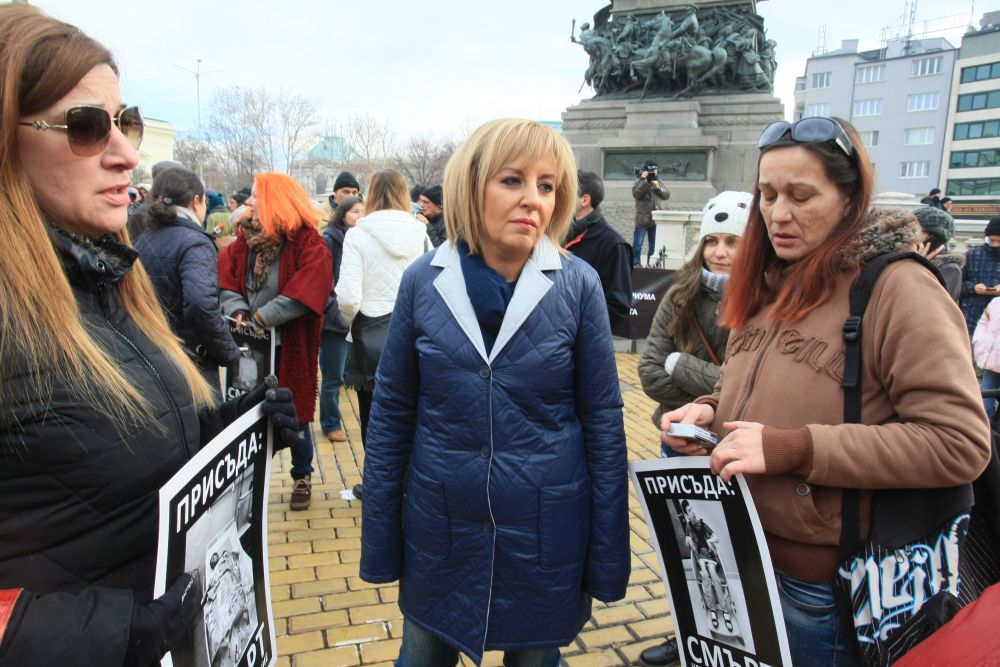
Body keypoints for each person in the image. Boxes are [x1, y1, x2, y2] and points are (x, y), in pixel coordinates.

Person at [0, 7, 298, 665]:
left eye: (124, 120)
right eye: (85, 126)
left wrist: (229, 435)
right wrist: (104, 632)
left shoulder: (106, 281)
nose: (127, 153)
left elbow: (105, 469)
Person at [662, 116, 991, 666]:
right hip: (740, 559)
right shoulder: (770, 279)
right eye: (766, 195)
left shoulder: (896, 288)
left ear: (849, 198)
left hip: (820, 593)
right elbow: (752, 387)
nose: (777, 214)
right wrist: (710, 412)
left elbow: (959, 443)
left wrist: (797, 449)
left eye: (801, 195)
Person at [359, 118, 630, 667]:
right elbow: (392, 414)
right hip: (441, 531)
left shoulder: (578, 286)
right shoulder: (422, 281)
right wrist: (382, 539)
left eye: (547, 185)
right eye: (513, 180)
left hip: (545, 531)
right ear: (470, 186)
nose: (534, 200)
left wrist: (607, 556)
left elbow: (603, 421)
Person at [636, 190, 749, 667]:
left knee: (738, 559)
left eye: (733, 241)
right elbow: (649, 372)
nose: (720, 252)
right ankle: (687, 636)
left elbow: (748, 388)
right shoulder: (681, 292)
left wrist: (683, 365)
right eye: (712, 240)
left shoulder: (766, 296)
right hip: (680, 444)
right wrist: (708, 391)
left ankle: (738, 643)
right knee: (691, 554)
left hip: (741, 449)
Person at [218, 172, 332, 511]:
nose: (249, 202)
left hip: (288, 344)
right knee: (247, 411)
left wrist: (262, 318)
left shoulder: (307, 242)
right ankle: (248, 480)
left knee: (294, 414)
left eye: (255, 195)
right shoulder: (245, 242)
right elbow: (227, 282)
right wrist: (239, 311)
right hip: (250, 346)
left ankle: (301, 475)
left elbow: (306, 291)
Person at [335, 169, 429, 499]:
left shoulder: (358, 235)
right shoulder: (421, 234)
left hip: (369, 334)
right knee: (415, 413)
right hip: (415, 331)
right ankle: (410, 485)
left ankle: (378, 485)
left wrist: (351, 324)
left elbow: (347, 296)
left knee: (373, 416)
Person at [134, 166, 240, 389]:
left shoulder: (144, 238)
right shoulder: (195, 242)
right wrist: (228, 352)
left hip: (154, 354)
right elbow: (201, 304)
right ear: (196, 201)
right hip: (190, 362)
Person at [320, 195, 365, 443]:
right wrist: (333, 308)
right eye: (354, 212)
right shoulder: (331, 240)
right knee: (333, 375)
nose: (360, 216)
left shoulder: (361, 240)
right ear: (343, 214)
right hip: (336, 319)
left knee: (343, 373)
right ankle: (330, 423)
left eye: (363, 211)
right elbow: (325, 281)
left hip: (355, 317)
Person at [566, 169, 633, 329]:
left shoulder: (614, 244)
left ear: (585, 200)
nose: (562, 197)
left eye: (568, 192)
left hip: (585, 343)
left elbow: (618, 307)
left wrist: (579, 327)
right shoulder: (559, 233)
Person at [912, 205, 963, 300]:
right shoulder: (905, 257)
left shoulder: (950, 269)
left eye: (915, 232)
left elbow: (933, 304)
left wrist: (917, 267)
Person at [961, 217, 1000, 336]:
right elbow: (957, 285)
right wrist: (973, 288)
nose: (995, 245)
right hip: (972, 318)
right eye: (992, 240)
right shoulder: (972, 254)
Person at [632, 160, 670, 267]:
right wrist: (644, 180)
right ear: (645, 171)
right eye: (650, 171)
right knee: (637, 244)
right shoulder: (639, 181)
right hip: (642, 219)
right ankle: (636, 264)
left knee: (653, 245)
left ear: (657, 170)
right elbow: (636, 194)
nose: (652, 173)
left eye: (654, 170)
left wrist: (657, 187)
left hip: (655, 219)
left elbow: (666, 195)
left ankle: (650, 264)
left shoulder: (659, 181)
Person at [973, 297, 1000, 418]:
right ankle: (986, 432)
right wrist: (979, 339)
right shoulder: (995, 302)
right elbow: (983, 322)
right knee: (984, 404)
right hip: (991, 363)